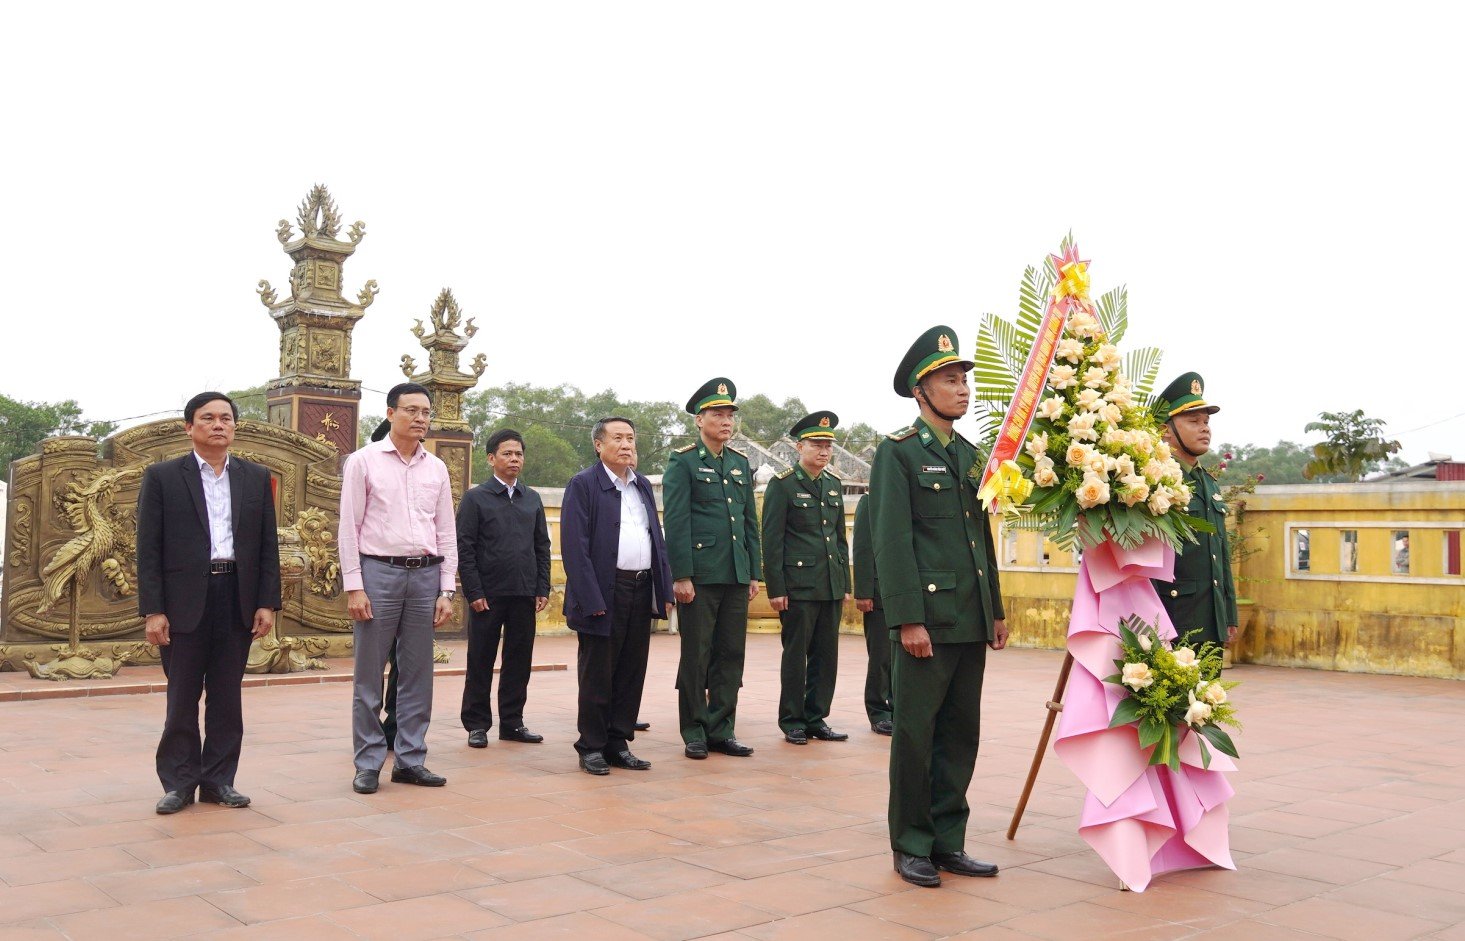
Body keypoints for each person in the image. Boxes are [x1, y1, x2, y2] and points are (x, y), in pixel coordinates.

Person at [870, 326, 1007, 888]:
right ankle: (912, 844)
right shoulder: (897, 453)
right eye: (949, 380)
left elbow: (982, 539)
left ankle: (950, 841)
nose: (962, 389)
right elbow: (890, 541)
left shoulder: (972, 457)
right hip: (926, 617)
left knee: (959, 733)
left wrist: (994, 608)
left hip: (969, 616)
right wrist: (906, 618)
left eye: (963, 380)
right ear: (920, 391)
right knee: (916, 734)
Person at [137, 391, 281, 815]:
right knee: (182, 696)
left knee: (226, 696)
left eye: (226, 418)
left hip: (235, 596)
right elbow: (148, 549)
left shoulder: (255, 477)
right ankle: (179, 782)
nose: (219, 424)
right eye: (208, 418)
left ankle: (219, 781)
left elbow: (266, 546)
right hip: (183, 603)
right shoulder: (163, 476)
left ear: (234, 426)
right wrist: (154, 609)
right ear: (189, 427)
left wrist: (266, 602)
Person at [339, 382, 457, 795]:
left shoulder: (436, 468)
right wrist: (355, 586)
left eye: (426, 411)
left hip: (425, 577)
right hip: (379, 574)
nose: (421, 418)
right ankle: (369, 762)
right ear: (391, 414)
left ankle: (410, 759)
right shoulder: (363, 461)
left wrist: (447, 589)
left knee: (418, 675)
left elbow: (445, 532)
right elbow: (349, 529)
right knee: (370, 676)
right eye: (412, 410)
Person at [560, 417, 674, 774]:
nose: (627, 445)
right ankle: (591, 745)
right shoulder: (583, 484)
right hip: (603, 592)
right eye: (618, 438)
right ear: (598, 445)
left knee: (630, 670)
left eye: (631, 439)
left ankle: (618, 741)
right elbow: (575, 549)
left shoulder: (640, 484)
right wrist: (592, 599)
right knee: (597, 672)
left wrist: (664, 588)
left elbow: (656, 538)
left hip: (640, 588)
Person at [663, 378, 762, 759]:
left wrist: (753, 571)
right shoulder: (683, 462)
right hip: (701, 576)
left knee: (730, 655)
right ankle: (695, 730)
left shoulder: (738, 463)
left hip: (735, 574)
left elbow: (748, 521)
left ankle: (723, 728)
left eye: (729, 415)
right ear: (698, 420)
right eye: (717, 414)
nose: (725, 421)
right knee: (697, 655)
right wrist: (681, 574)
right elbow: (677, 519)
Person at [457, 429, 551, 747]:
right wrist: (474, 591)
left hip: (524, 593)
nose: (514, 459)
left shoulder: (532, 498)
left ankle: (512, 722)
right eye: (507, 453)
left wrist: (542, 587)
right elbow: (465, 548)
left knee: (519, 660)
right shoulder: (476, 498)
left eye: (519, 454)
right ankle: (477, 724)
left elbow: (542, 546)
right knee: (481, 660)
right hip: (488, 595)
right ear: (491, 458)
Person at [761, 411, 851, 745]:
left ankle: (817, 717)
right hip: (797, 588)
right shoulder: (783, 485)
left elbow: (840, 540)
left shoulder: (833, 485)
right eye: (816, 444)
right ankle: (792, 720)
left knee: (826, 657)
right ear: (800, 447)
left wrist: (844, 584)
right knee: (796, 656)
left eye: (828, 445)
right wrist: (777, 588)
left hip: (829, 585)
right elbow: (772, 540)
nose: (824, 451)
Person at [1152, 372, 1238, 651]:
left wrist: (1228, 613)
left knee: (1210, 696)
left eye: (1206, 421)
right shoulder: (1155, 480)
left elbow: (1221, 555)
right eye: (1193, 421)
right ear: (1166, 429)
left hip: (1211, 619)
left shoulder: (1209, 483)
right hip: (1171, 620)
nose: (1205, 428)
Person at [851, 493, 892, 735]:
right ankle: (878, 711)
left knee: (905, 659)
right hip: (879, 593)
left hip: (910, 592)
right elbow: (863, 547)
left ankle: (899, 708)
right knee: (881, 657)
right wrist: (864, 592)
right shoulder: (870, 501)